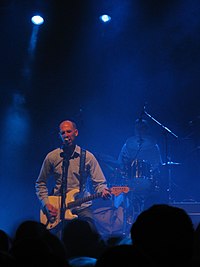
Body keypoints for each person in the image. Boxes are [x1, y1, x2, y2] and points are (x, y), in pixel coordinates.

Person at [35, 120, 111, 239]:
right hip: (58, 207)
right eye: (63, 133)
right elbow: (40, 183)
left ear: (76, 133)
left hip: (82, 206)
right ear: (59, 135)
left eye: (69, 131)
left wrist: (104, 190)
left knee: (92, 235)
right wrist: (46, 204)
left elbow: (99, 183)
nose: (66, 135)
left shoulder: (88, 157)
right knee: (56, 242)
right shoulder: (52, 157)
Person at [115, 118, 164, 235]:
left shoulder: (154, 146)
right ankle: (127, 225)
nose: (140, 131)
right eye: (138, 128)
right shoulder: (127, 145)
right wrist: (125, 167)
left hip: (149, 181)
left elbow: (158, 165)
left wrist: (152, 171)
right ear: (134, 130)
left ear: (147, 130)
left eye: (143, 128)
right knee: (124, 199)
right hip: (130, 179)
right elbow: (120, 163)